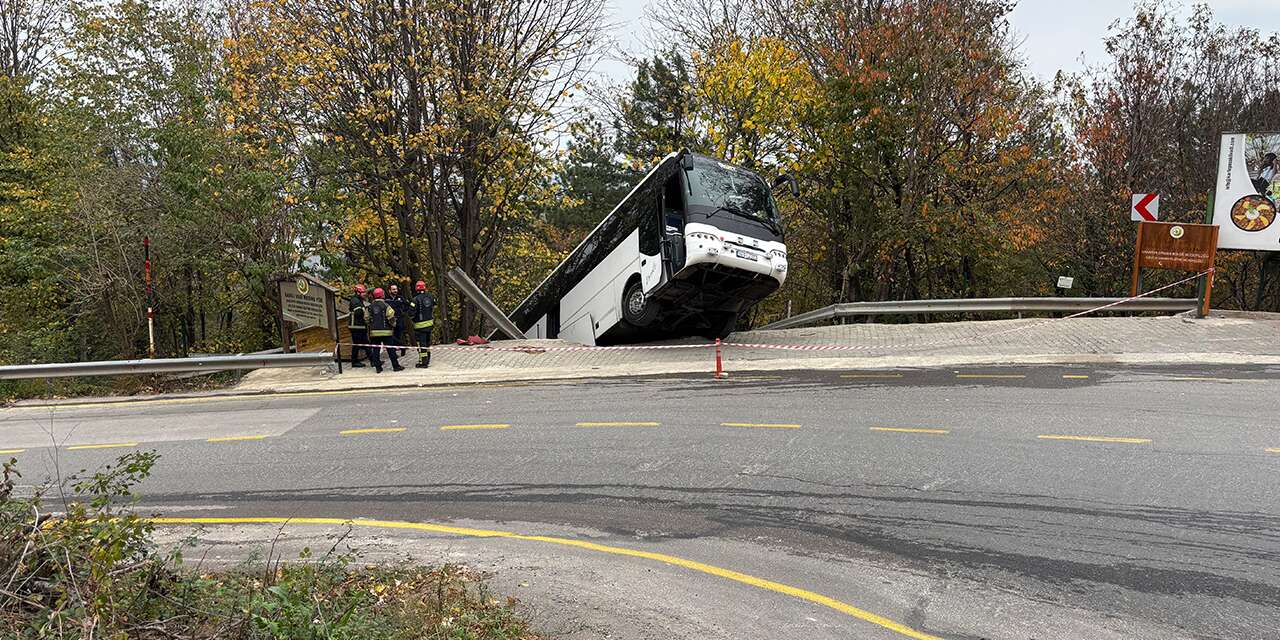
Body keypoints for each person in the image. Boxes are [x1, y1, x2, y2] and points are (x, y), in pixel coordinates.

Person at [366, 287, 403, 373]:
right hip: (386, 332)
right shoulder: (386, 306)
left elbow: (366, 318)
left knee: (376, 350)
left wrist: (371, 325)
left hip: (374, 333)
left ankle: (378, 368)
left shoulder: (369, 307)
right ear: (382, 295)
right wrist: (393, 325)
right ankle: (396, 366)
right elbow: (391, 317)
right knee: (391, 350)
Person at [410, 280, 436, 368]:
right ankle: (428, 359)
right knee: (427, 343)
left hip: (419, 327)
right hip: (429, 325)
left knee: (421, 345)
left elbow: (411, 313)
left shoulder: (415, 299)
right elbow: (433, 305)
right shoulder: (431, 297)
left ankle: (423, 362)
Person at [347, 284, 369, 367]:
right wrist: (365, 310)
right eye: (363, 292)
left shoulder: (359, 300)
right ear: (358, 293)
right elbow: (358, 312)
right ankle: (354, 362)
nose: (365, 294)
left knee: (366, 344)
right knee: (357, 344)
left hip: (360, 325)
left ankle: (373, 360)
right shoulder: (355, 301)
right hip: (356, 326)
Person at [387, 284, 410, 357]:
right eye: (393, 289)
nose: (395, 291)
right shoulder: (386, 299)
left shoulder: (400, 298)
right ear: (389, 290)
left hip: (399, 319)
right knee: (390, 336)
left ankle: (401, 348)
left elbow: (407, 305)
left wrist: (403, 312)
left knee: (398, 335)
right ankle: (400, 347)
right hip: (390, 320)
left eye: (396, 289)